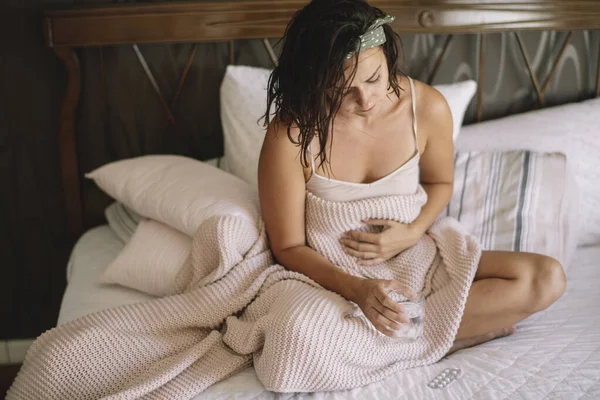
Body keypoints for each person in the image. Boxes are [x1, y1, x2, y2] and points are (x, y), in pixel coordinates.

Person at [258, 0, 566, 354]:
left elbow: (440, 184)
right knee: (289, 338)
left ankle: (395, 340)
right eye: (342, 90)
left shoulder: (428, 107)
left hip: (419, 258)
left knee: (547, 277)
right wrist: (358, 289)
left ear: (388, 57)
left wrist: (412, 232)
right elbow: (288, 247)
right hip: (335, 281)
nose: (367, 98)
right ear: (314, 83)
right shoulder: (290, 135)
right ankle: (449, 335)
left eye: (375, 78)